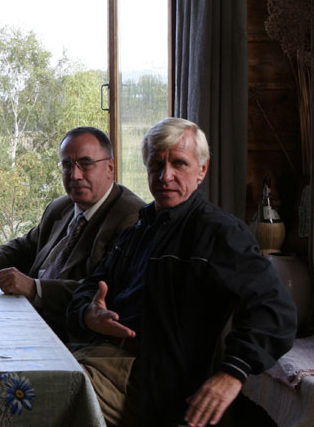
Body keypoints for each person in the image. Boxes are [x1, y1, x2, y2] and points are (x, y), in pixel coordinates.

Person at [66, 118, 297, 427]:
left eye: (179, 164)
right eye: (156, 164)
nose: (166, 176)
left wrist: (233, 373)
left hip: (150, 379)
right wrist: (88, 314)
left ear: (202, 170)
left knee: (33, 397)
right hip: (98, 352)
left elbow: (277, 312)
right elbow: (91, 286)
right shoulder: (139, 228)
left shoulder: (219, 232)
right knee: (18, 378)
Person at [0, 127, 144, 340]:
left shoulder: (131, 217)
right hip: (26, 316)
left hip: (68, 332)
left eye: (86, 164)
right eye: (67, 165)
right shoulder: (61, 206)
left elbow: (101, 289)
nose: (75, 175)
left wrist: (35, 288)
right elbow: (25, 246)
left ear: (110, 167)